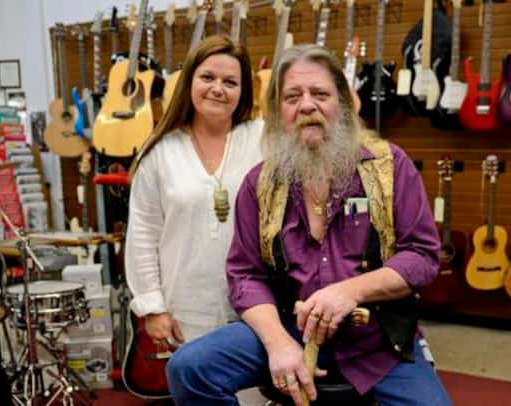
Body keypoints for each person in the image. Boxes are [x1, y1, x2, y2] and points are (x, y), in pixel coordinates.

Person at [165, 44, 452, 406]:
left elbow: (423, 256)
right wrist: (278, 343)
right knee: (189, 369)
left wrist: (350, 291)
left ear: (343, 105)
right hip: (290, 328)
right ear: (277, 111)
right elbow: (245, 276)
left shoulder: (390, 167)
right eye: (292, 96)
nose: (306, 106)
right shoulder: (260, 183)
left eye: (320, 93)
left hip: (378, 342)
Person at [126, 35, 263, 349]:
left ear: (243, 92)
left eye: (230, 81)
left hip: (255, 307)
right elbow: (144, 234)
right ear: (189, 81)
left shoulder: (261, 140)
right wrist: (153, 306)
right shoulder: (160, 152)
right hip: (185, 310)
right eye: (207, 77)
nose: (218, 88)